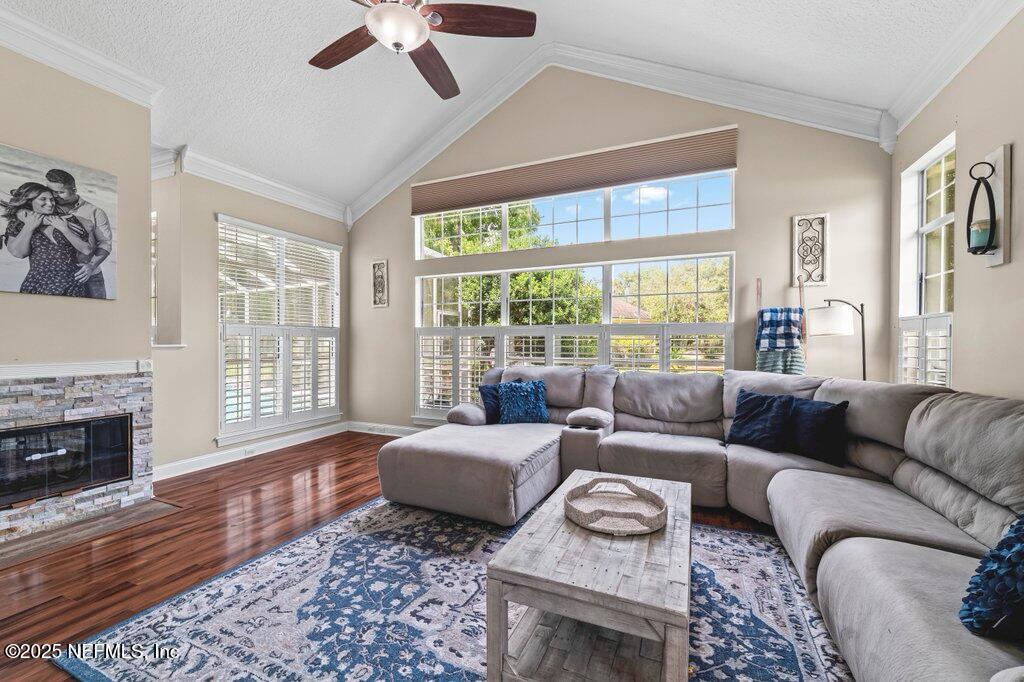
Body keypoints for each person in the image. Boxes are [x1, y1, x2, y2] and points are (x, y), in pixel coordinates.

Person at [1, 182, 95, 296]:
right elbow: (19, 253)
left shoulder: (66, 221)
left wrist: (90, 265)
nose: (50, 203)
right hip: (39, 285)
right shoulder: (19, 224)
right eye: (43, 199)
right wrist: (30, 226)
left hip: (72, 285)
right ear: (30, 201)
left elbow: (86, 246)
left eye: (52, 199)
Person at [46, 168, 111, 299]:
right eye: (52, 191)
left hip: (89, 275)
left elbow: (105, 243)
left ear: (74, 190)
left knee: (98, 315)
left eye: (60, 192)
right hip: (55, 276)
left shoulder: (95, 212)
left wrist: (91, 266)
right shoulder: (46, 207)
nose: (55, 196)